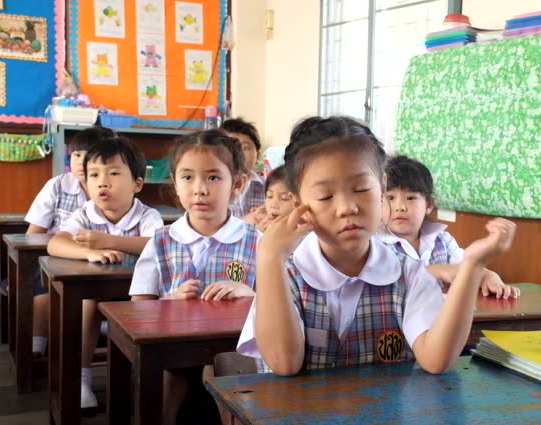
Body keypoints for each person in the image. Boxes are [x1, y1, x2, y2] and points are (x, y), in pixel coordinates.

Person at [236, 115, 516, 377]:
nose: (347, 207)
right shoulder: (285, 274)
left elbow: (437, 360)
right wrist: (270, 257)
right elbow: (284, 364)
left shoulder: (409, 273)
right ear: (299, 204)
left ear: (381, 187)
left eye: (361, 189)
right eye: (325, 196)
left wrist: (472, 266)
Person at [129, 129, 258, 425]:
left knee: (238, 379)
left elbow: (281, 301)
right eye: (188, 177)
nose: (199, 188)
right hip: (173, 354)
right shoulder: (161, 240)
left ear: (238, 184)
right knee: (162, 391)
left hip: (235, 351)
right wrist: (168, 301)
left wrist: (251, 294)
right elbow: (138, 306)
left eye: (213, 177)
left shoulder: (255, 241)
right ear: (175, 182)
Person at [46, 137, 163, 410]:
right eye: (94, 175)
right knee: (88, 305)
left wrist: (108, 242)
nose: (102, 182)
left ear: (137, 183)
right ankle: (83, 377)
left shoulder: (147, 215)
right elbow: (55, 243)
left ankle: (141, 374)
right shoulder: (85, 214)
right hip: (98, 295)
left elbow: (156, 244)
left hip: (142, 294)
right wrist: (89, 253)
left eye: (113, 173)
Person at [26, 126, 116, 355]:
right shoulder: (57, 185)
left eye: (88, 156)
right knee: (45, 281)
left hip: (100, 259)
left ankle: (100, 331)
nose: (80, 161)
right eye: (76, 154)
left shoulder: (115, 188)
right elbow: (33, 233)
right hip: (57, 255)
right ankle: (38, 343)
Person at [379, 155, 519, 298]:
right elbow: (384, 280)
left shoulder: (443, 240)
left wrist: (489, 276)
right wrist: (436, 271)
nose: (400, 207)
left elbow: (466, 268)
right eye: (390, 198)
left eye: (411, 198)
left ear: (428, 204)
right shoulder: (374, 244)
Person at [221, 117, 265, 219]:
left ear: (257, 154)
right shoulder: (211, 188)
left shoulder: (271, 188)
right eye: (230, 147)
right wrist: (247, 222)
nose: (238, 153)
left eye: (245, 147)